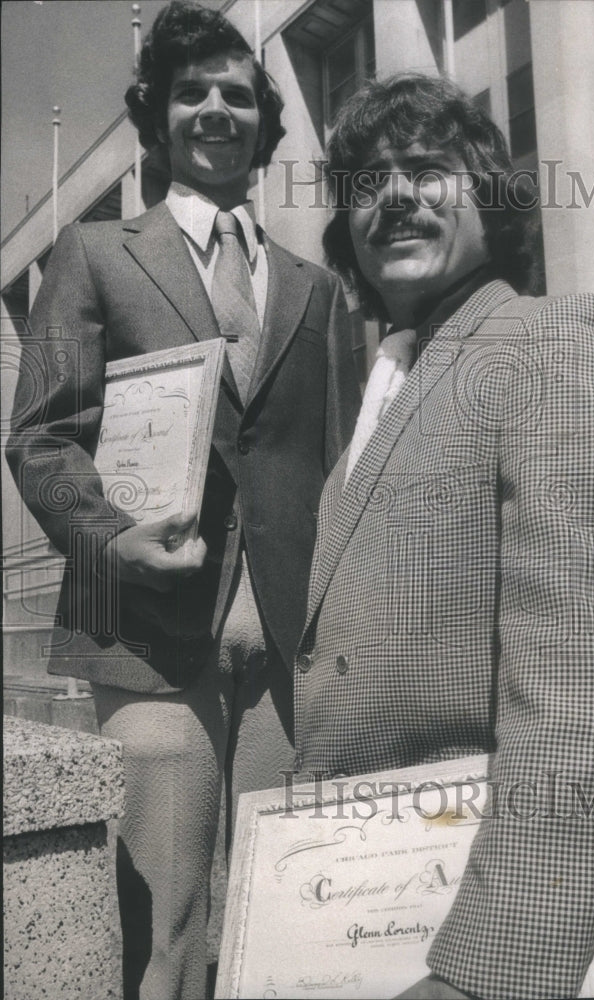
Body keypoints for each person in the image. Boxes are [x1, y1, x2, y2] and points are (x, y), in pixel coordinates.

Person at [293, 74, 594, 999]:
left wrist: (485, 973)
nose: (392, 197)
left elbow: (588, 693)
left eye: (426, 170)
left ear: (491, 198)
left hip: (492, 937)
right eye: (364, 183)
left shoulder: (555, 343)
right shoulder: (383, 396)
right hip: (354, 916)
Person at [6, 3, 359, 998]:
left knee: (279, 922)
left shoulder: (312, 287)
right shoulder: (95, 255)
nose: (214, 108)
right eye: (191, 92)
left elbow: (337, 461)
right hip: (150, 640)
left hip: (287, 650)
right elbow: (41, 435)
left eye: (237, 94)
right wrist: (111, 542)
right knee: (164, 930)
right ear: (157, 116)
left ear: (263, 124)